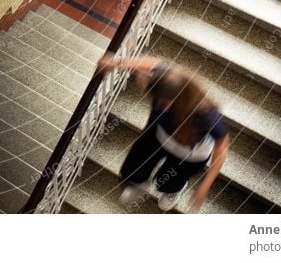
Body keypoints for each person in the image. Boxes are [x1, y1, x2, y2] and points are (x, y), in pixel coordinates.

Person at [97, 53, 230, 213]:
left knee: (169, 179)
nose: (162, 107)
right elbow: (154, 64)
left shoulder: (206, 114)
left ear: (179, 99)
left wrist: (204, 187)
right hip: (159, 134)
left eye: (165, 103)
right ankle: (139, 182)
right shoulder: (167, 81)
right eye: (158, 101)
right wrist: (118, 63)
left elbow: (221, 150)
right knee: (135, 165)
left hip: (189, 154)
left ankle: (173, 189)